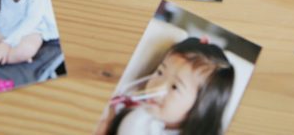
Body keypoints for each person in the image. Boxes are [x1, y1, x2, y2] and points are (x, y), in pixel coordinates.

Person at [96, 37, 235, 135]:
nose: (157, 87)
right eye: (160, 72)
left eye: (175, 87)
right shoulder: (137, 113)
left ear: (202, 106)